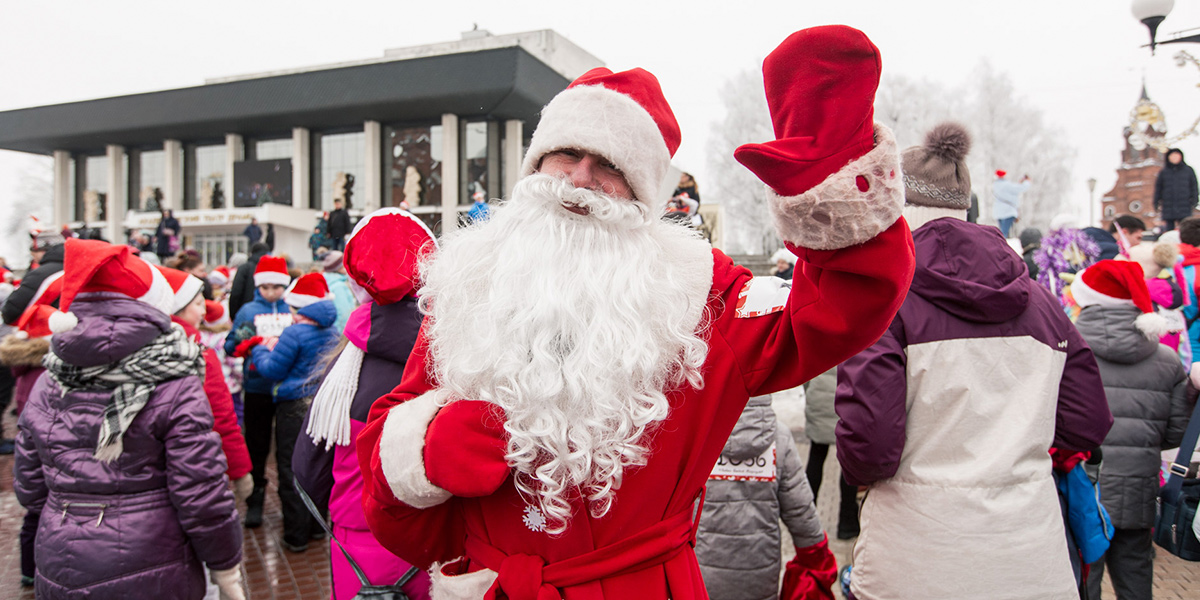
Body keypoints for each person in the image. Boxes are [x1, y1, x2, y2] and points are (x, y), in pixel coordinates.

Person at [357, 26, 915, 598]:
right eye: (566, 154)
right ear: (536, 165)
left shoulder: (701, 296)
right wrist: (422, 449)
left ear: (641, 197)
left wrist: (829, 155)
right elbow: (388, 471)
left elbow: (838, 306)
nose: (579, 178)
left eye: (609, 165)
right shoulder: (471, 285)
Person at [835, 122, 1112, 600]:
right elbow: (1086, 423)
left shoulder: (883, 303)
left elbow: (870, 449)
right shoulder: (1043, 304)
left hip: (916, 557)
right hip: (1030, 556)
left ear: (897, 208)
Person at [13, 239, 246, 600]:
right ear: (153, 305)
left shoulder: (50, 379)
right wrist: (224, 566)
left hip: (61, 555)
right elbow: (200, 492)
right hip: (156, 556)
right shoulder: (175, 379)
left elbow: (30, 487)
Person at [294, 208, 436, 600]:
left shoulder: (344, 370)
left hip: (356, 536)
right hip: (435, 539)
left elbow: (308, 468)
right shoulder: (457, 360)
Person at [1069, 260, 1191, 600]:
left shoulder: (1065, 351)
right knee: (1136, 578)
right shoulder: (1166, 360)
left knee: (1081, 580)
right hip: (1137, 488)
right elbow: (1175, 432)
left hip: (1080, 486)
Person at [694, 394, 835, 600]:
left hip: (702, 577)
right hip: (760, 576)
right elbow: (800, 512)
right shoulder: (780, 438)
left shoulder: (697, 437)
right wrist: (817, 556)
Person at [239, 272, 338, 551]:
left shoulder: (295, 332)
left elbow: (272, 369)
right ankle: (318, 528)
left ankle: (295, 535)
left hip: (293, 405)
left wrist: (258, 349)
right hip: (320, 403)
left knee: (290, 468)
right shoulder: (331, 330)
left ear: (299, 306)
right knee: (317, 465)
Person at [157, 266, 254, 503]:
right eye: (199, 304)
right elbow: (220, 416)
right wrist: (239, 469)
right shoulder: (197, 352)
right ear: (178, 308)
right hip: (195, 458)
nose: (204, 311)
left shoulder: (146, 345)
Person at [225, 255, 293, 529]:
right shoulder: (248, 310)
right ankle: (255, 502)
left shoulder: (292, 308)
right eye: (266, 287)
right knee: (256, 447)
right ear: (258, 286)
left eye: (276, 287)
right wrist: (243, 340)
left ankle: (290, 506)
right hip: (257, 388)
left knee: (286, 453)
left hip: (287, 390)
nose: (271, 292)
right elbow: (230, 345)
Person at [1, 282, 60, 588]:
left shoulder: (22, 368)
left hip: (28, 441)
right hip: (46, 440)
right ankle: (38, 566)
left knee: (31, 513)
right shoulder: (49, 369)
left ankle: (27, 567)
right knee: (43, 510)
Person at [803, 367, 859, 539]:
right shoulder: (856, 339)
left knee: (816, 457)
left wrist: (812, 392)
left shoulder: (818, 338)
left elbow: (806, 370)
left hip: (819, 397)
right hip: (848, 399)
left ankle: (806, 521)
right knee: (849, 464)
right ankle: (847, 525)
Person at [2, 229, 65, 325]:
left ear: (44, 249)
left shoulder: (41, 273)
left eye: (34, 250)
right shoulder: (75, 267)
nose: (32, 255)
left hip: (44, 328)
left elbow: (12, 309)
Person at [1154, 148, 1198, 232]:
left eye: (1176, 155)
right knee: (1169, 229)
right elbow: (1158, 188)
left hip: (1184, 204)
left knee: (1186, 227)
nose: (1174, 158)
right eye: (1172, 156)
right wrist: (1156, 202)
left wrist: (1194, 200)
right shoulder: (1163, 172)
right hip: (1168, 205)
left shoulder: (1188, 170)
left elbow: (1194, 186)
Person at [228, 242, 270, 319]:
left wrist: (233, 315)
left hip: (246, 313)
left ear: (252, 252)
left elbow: (236, 292)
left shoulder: (245, 268)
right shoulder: (271, 268)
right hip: (268, 314)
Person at [319, 250, 357, 333]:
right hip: (341, 333)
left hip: (332, 331)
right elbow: (344, 315)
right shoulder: (339, 287)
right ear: (339, 267)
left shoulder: (326, 282)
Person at [992, 170, 1031, 238]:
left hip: (998, 212)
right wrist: (1027, 182)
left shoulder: (995, 185)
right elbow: (1020, 188)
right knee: (1004, 233)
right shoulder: (1006, 185)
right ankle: (1002, 246)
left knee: (1001, 231)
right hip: (1008, 211)